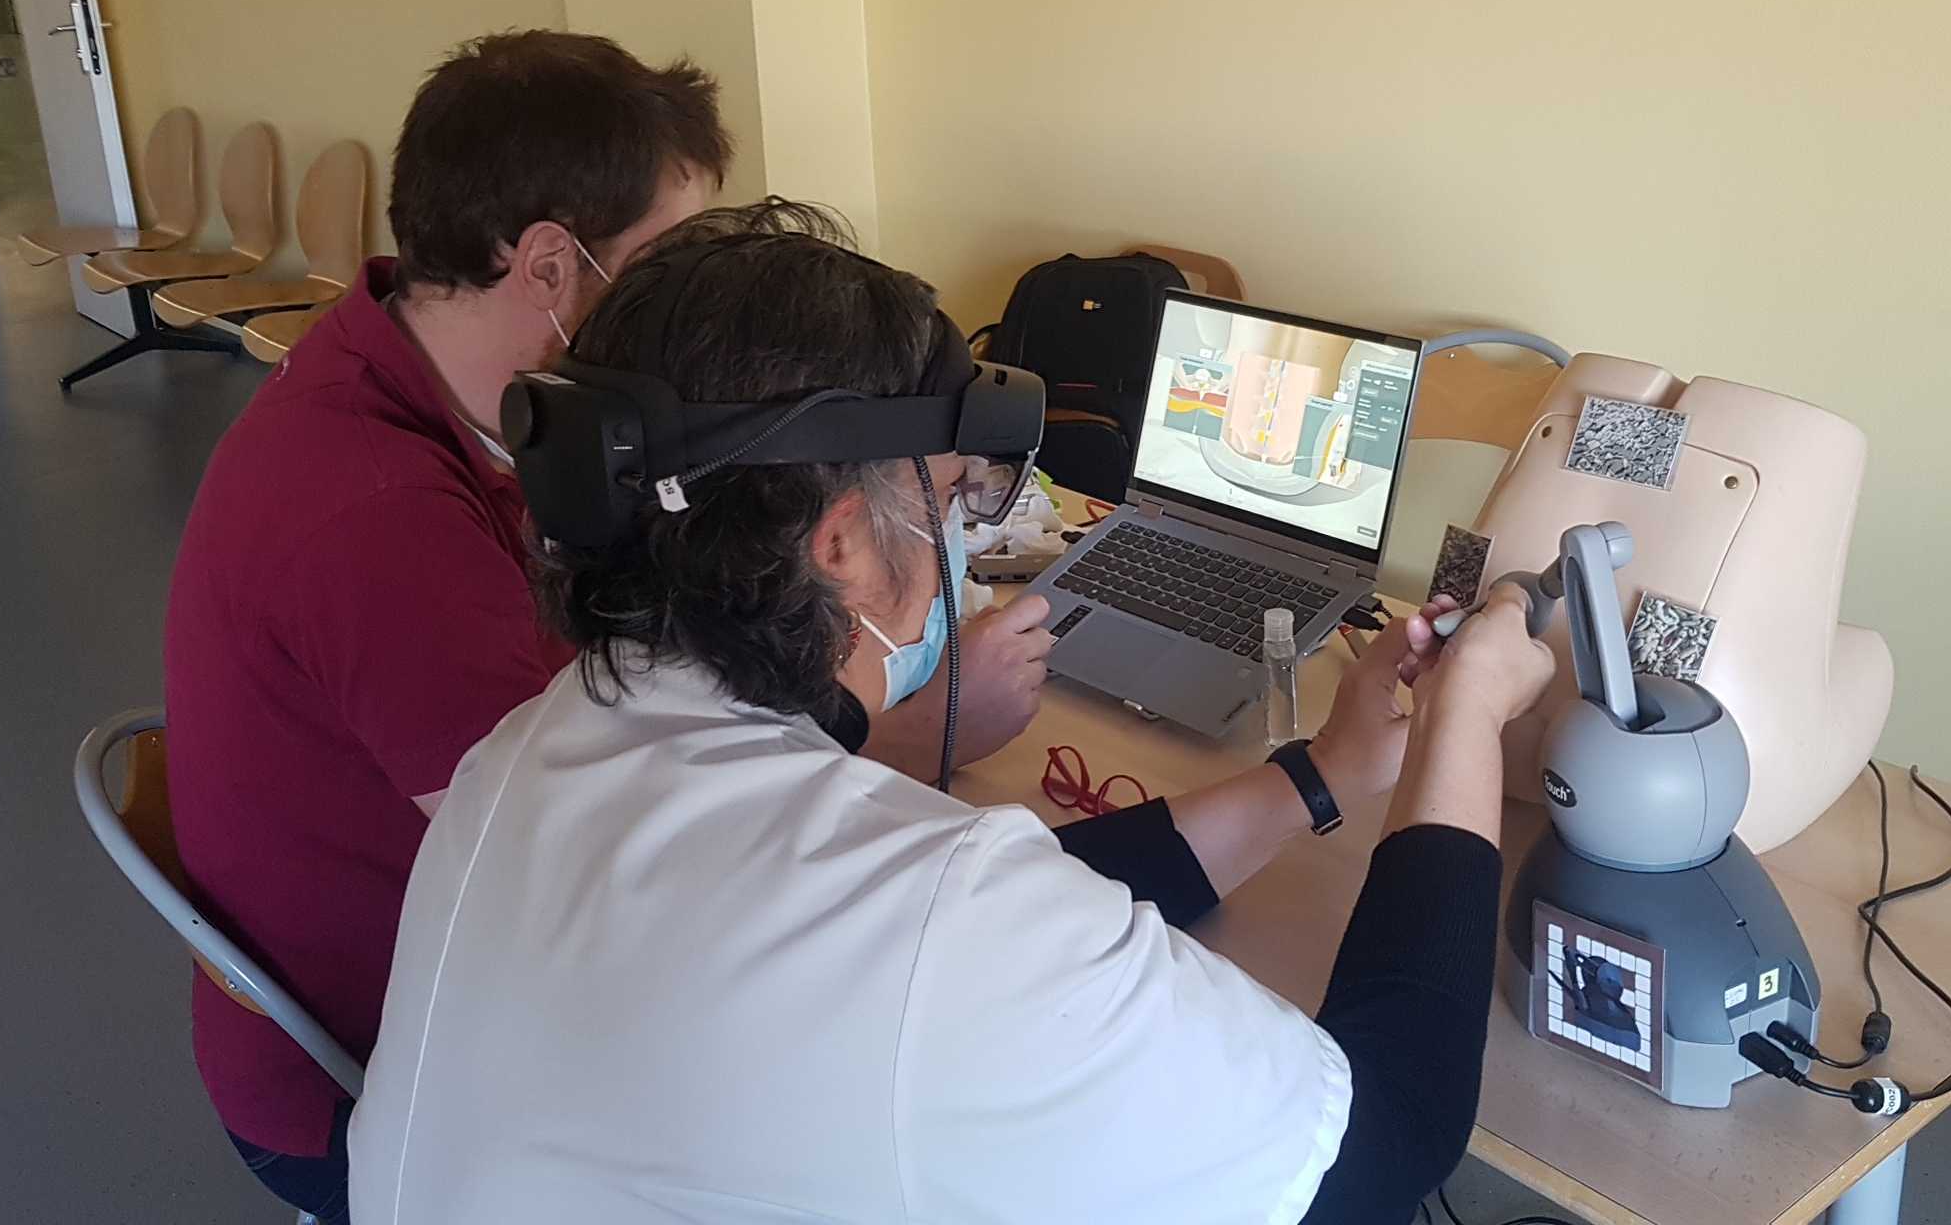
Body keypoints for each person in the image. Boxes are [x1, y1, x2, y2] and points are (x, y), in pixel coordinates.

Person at [348, 226, 1558, 1224]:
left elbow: (994, 907)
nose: (960, 542)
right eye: (945, 501)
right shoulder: (943, 926)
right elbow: (1384, 1141)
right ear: (837, 546)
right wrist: (1460, 722)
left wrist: (1321, 774)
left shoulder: (527, 753)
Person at [161, 30, 726, 1223]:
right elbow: (577, 870)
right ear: (551, 264)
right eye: (666, 265)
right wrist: (881, 722)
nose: (682, 306)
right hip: (372, 1078)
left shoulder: (416, 371)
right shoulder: (371, 510)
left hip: (436, 949)